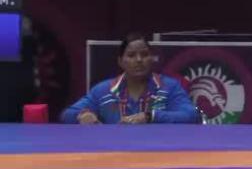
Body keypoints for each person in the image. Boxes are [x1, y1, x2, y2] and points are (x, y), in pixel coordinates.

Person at [60, 34, 200, 125]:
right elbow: (67, 115)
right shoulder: (103, 91)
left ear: (152, 59)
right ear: (121, 61)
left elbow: (191, 115)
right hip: (115, 155)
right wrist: (82, 115)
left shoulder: (169, 87)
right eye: (131, 55)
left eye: (144, 54)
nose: (139, 60)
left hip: (157, 153)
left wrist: (150, 117)